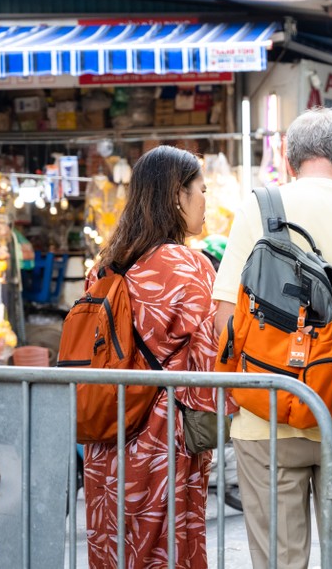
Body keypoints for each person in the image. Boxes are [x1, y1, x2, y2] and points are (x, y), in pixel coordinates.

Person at [212, 107, 332, 569]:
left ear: (287, 155)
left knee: (280, 562)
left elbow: (225, 318)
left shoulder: (258, 209)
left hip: (267, 419)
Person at [84, 145, 229, 569]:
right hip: (164, 438)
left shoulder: (106, 266)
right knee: (166, 548)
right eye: (201, 190)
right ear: (177, 196)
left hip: (107, 427)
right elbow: (209, 361)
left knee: (113, 542)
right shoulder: (191, 266)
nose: (206, 201)